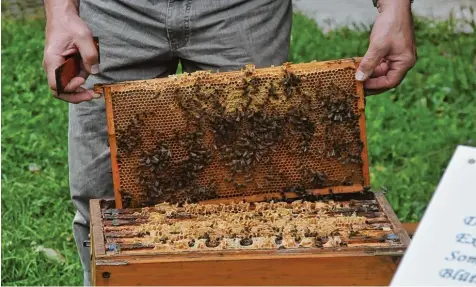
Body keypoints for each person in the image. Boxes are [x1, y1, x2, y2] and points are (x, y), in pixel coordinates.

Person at [42, 0, 416, 285]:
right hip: (113, 11)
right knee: (102, 205)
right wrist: (60, 11)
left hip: (241, 10)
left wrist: (394, 6)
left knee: (256, 205)